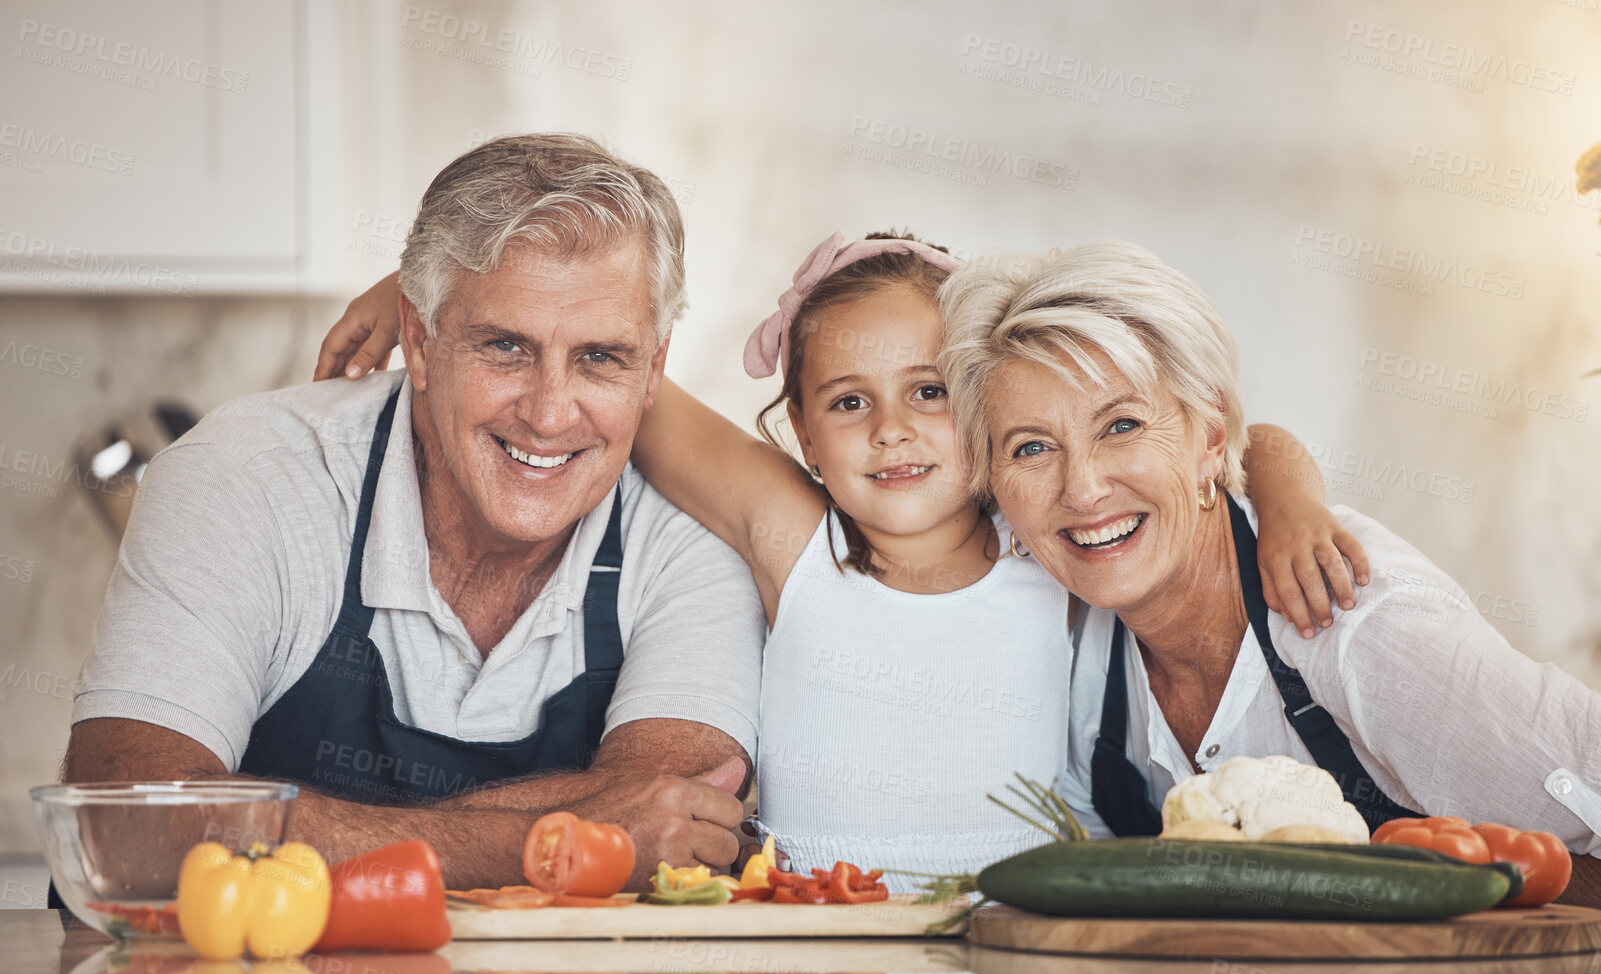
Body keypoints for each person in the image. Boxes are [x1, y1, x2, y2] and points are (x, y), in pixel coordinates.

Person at [313, 232, 1364, 884]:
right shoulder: (794, 540)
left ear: (990, 404)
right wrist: (429, 293)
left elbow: (1239, 435)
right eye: (848, 404)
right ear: (804, 439)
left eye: (929, 391)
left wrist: (1291, 498)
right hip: (807, 941)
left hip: (1015, 943)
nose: (892, 431)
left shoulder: (1054, 542)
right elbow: (625, 379)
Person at [63, 133, 766, 890]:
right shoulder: (247, 479)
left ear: (654, 366)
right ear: (420, 341)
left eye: (600, 357)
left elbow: (679, 826)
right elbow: (130, 830)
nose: (550, 413)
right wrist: (555, 839)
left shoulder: (692, 537)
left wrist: (257, 828)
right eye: (505, 346)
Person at [939, 240, 1601, 916]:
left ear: (1209, 439)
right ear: (995, 484)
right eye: (1031, 449)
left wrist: (1465, 878)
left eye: (1122, 426)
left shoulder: (1364, 631)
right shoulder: (1066, 629)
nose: (1080, 490)